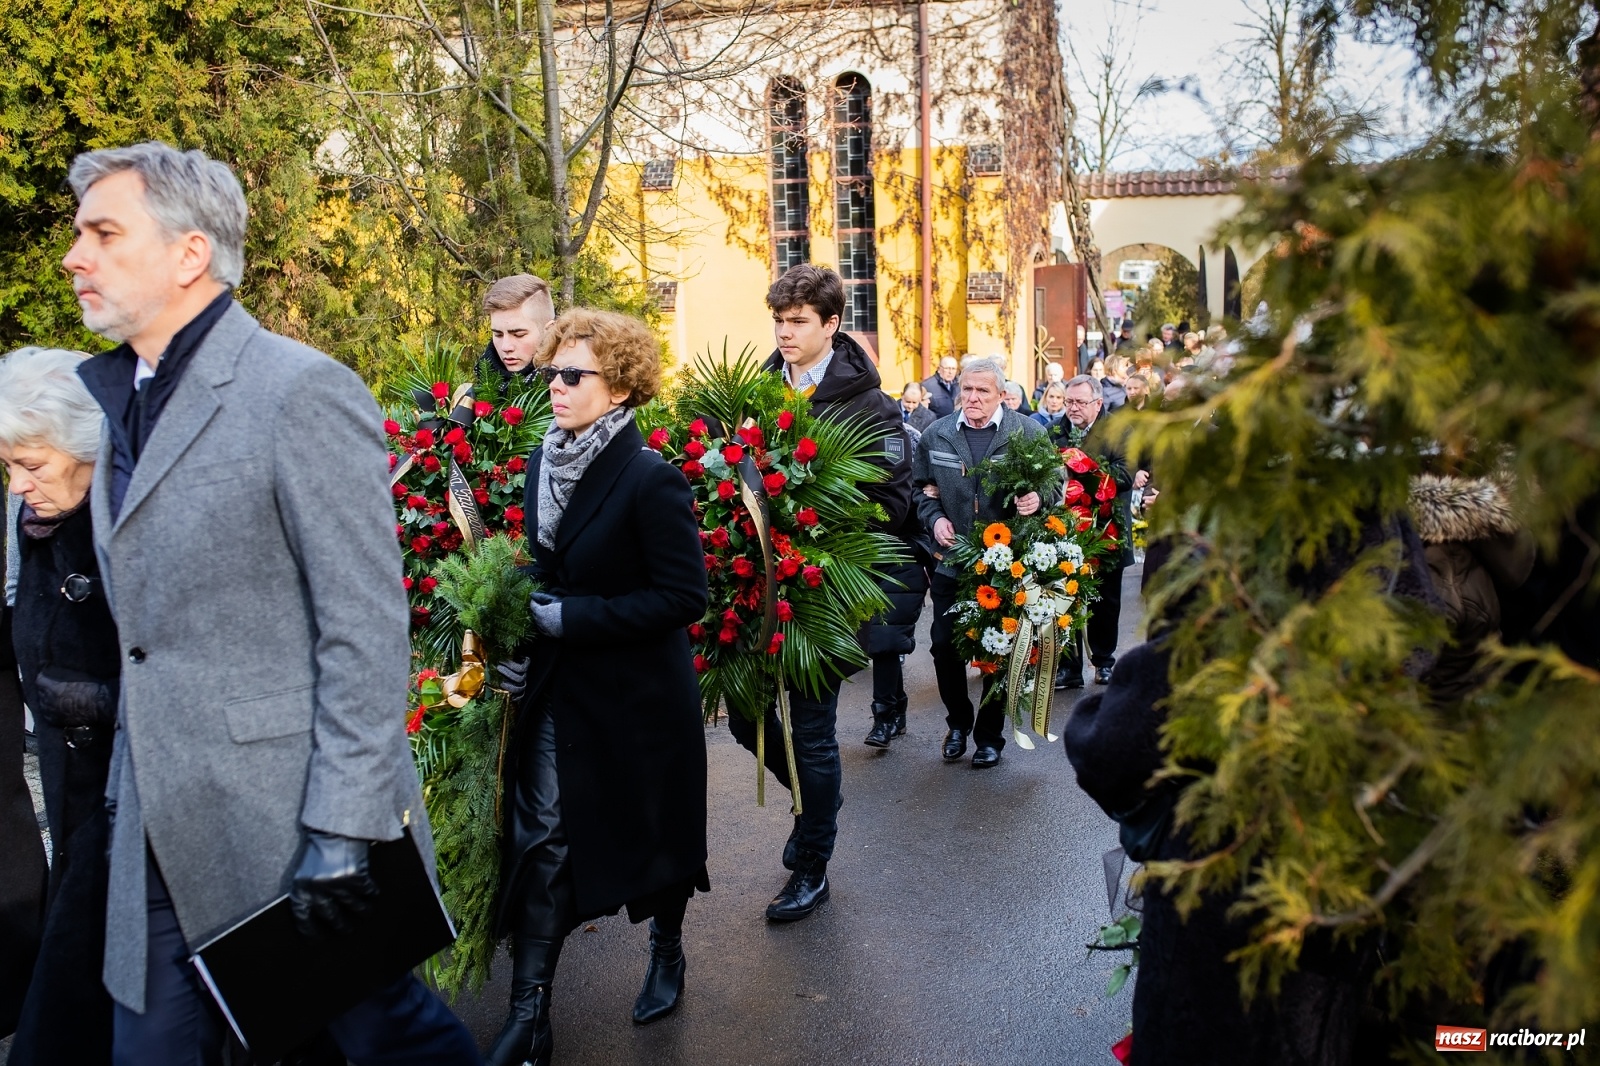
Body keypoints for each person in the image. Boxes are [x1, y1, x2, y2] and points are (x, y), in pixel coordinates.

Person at [65, 142, 477, 1065]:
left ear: (189, 254)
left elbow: (363, 626)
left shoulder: (299, 390)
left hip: (289, 820)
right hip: (160, 823)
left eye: (104, 233)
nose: (75, 256)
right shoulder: (117, 400)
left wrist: (343, 822)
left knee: (388, 1038)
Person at [486, 309, 709, 1066]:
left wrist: (574, 618)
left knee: (659, 834)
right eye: (553, 372)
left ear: (617, 389)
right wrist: (515, 631)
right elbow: (548, 567)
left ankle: (667, 948)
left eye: (573, 374)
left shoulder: (651, 478)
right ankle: (530, 1014)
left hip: (641, 696)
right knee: (544, 836)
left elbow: (684, 597)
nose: (555, 385)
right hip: (563, 688)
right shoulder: (541, 462)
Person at [748, 265, 916, 909]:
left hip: (823, 591)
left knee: (812, 730)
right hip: (751, 585)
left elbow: (893, 503)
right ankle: (815, 800)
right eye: (779, 321)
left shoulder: (871, 407)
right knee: (744, 716)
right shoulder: (757, 391)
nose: (785, 333)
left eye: (798, 322)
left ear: (832, 324)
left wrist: (813, 516)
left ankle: (813, 863)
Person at [0, 347, 118, 1065]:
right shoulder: (32, 518)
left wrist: (102, 699)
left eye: (31, 465)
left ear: (87, 448)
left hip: (134, 812)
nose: (18, 486)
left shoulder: (134, 521)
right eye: (9, 467)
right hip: (73, 805)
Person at [913, 356, 1058, 769]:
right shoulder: (937, 434)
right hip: (952, 559)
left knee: (999, 647)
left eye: (983, 391)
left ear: (1002, 395)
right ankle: (958, 723)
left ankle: (989, 737)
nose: (973, 397)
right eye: (968, 389)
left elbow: (1055, 483)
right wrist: (935, 518)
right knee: (944, 646)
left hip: (1007, 564)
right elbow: (919, 490)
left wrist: (1039, 498)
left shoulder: (1027, 432)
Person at [1056, 375, 1134, 690]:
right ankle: (1070, 667)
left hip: (1106, 528)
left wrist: (1082, 469)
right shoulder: (1055, 429)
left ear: (1098, 402)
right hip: (1064, 530)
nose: (1072, 408)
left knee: (1105, 600)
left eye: (1080, 402)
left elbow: (1125, 475)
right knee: (1065, 597)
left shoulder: (1119, 430)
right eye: (1068, 401)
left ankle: (1103, 661)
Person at [480, 273, 556, 387]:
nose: (505, 347)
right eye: (498, 334)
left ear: (549, 330)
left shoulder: (570, 388)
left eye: (518, 335)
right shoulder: (479, 383)